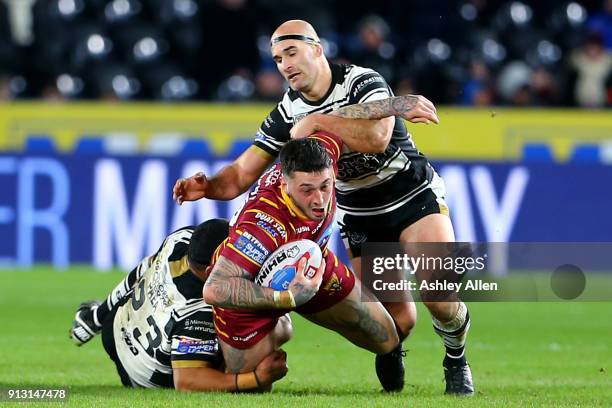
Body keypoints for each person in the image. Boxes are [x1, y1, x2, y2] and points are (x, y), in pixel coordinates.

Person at [173, 20, 473, 395]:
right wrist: (210, 186)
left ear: (317, 49)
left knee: (437, 294)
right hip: (360, 211)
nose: (285, 64)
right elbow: (240, 174)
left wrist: (316, 121)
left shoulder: (360, 82)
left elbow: (378, 138)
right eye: (278, 59)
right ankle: (391, 350)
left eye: (292, 53)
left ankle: (456, 359)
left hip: (412, 194)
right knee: (399, 322)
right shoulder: (286, 112)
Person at [202, 134, 401, 389]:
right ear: (285, 185)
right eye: (306, 190)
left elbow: (337, 121)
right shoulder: (262, 225)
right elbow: (214, 288)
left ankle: (398, 397)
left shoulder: (324, 154)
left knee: (387, 337)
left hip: (310, 263)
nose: (319, 199)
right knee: (253, 386)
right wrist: (285, 298)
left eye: (326, 186)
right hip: (248, 295)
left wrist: (394, 106)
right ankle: (253, 334)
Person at [69, 219, 288, 392]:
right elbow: (188, 381)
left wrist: (97, 316)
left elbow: (142, 269)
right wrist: (256, 378)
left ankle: (96, 318)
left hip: (114, 328)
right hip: (147, 377)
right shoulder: (200, 308)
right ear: (213, 268)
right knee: (253, 330)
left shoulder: (182, 239)